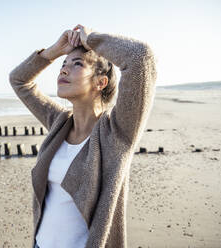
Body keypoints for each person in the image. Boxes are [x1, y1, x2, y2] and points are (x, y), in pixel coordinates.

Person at [9, 24, 157, 248]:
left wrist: (92, 41)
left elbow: (141, 58)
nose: (64, 70)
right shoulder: (59, 122)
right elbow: (19, 80)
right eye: (63, 65)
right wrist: (53, 52)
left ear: (101, 82)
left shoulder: (117, 133)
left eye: (76, 64)